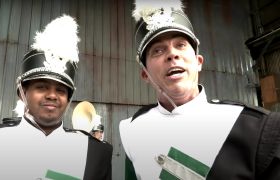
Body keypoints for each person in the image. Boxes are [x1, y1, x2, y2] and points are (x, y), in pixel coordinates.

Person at [119, 0, 280, 180]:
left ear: (198, 62)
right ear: (145, 75)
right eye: (157, 50)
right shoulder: (133, 129)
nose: (172, 54)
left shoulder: (259, 129)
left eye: (180, 45)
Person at [0, 14, 112, 180]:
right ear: (22, 93)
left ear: (69, 99)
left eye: (61, 90)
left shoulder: (97, 153)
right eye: (41, 87)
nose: (52, 95)